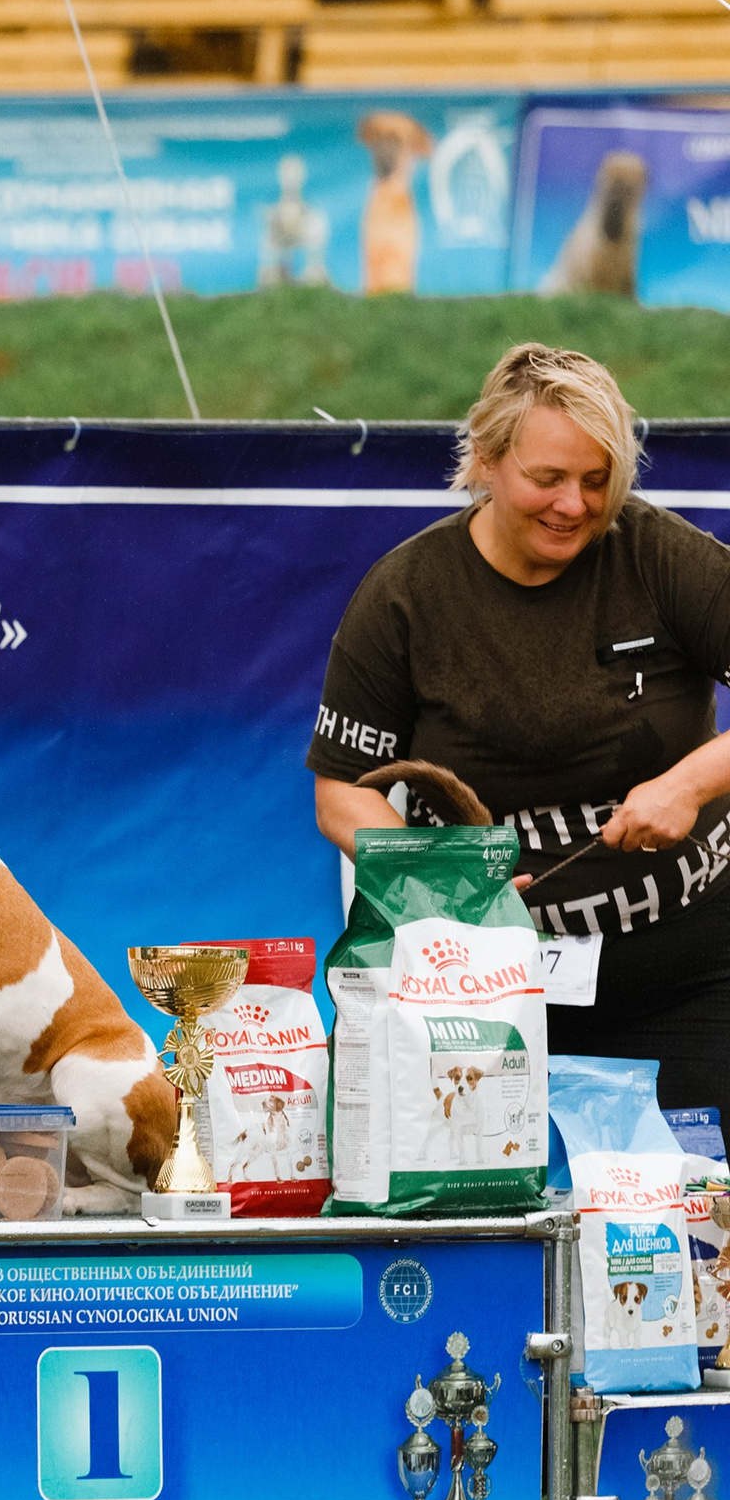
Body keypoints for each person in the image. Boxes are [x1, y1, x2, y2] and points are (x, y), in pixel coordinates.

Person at [309, 342, 730, 1114]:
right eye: (548, 478)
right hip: (477, 984)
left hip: (689, 977)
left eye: (597, 480)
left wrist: (691, 782)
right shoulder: (406, 594)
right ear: (487, 458)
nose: (575, 504)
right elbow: (342, 793)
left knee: (699, 1191)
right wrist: (439, 881)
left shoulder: (658, 555)